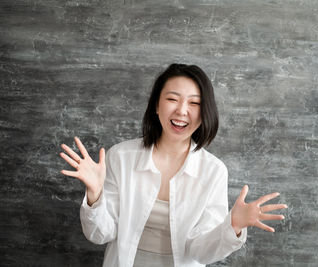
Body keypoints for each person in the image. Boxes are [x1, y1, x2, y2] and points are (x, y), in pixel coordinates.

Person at [59, 63, 288, 267]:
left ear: (204, 113)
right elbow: (101, 234)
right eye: (172, 99)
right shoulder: (121, 156)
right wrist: (95, 195)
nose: (181, 110)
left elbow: (201, 251)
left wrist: (232, 226)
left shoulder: (214, 171)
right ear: (156, 106)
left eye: (194, 103)